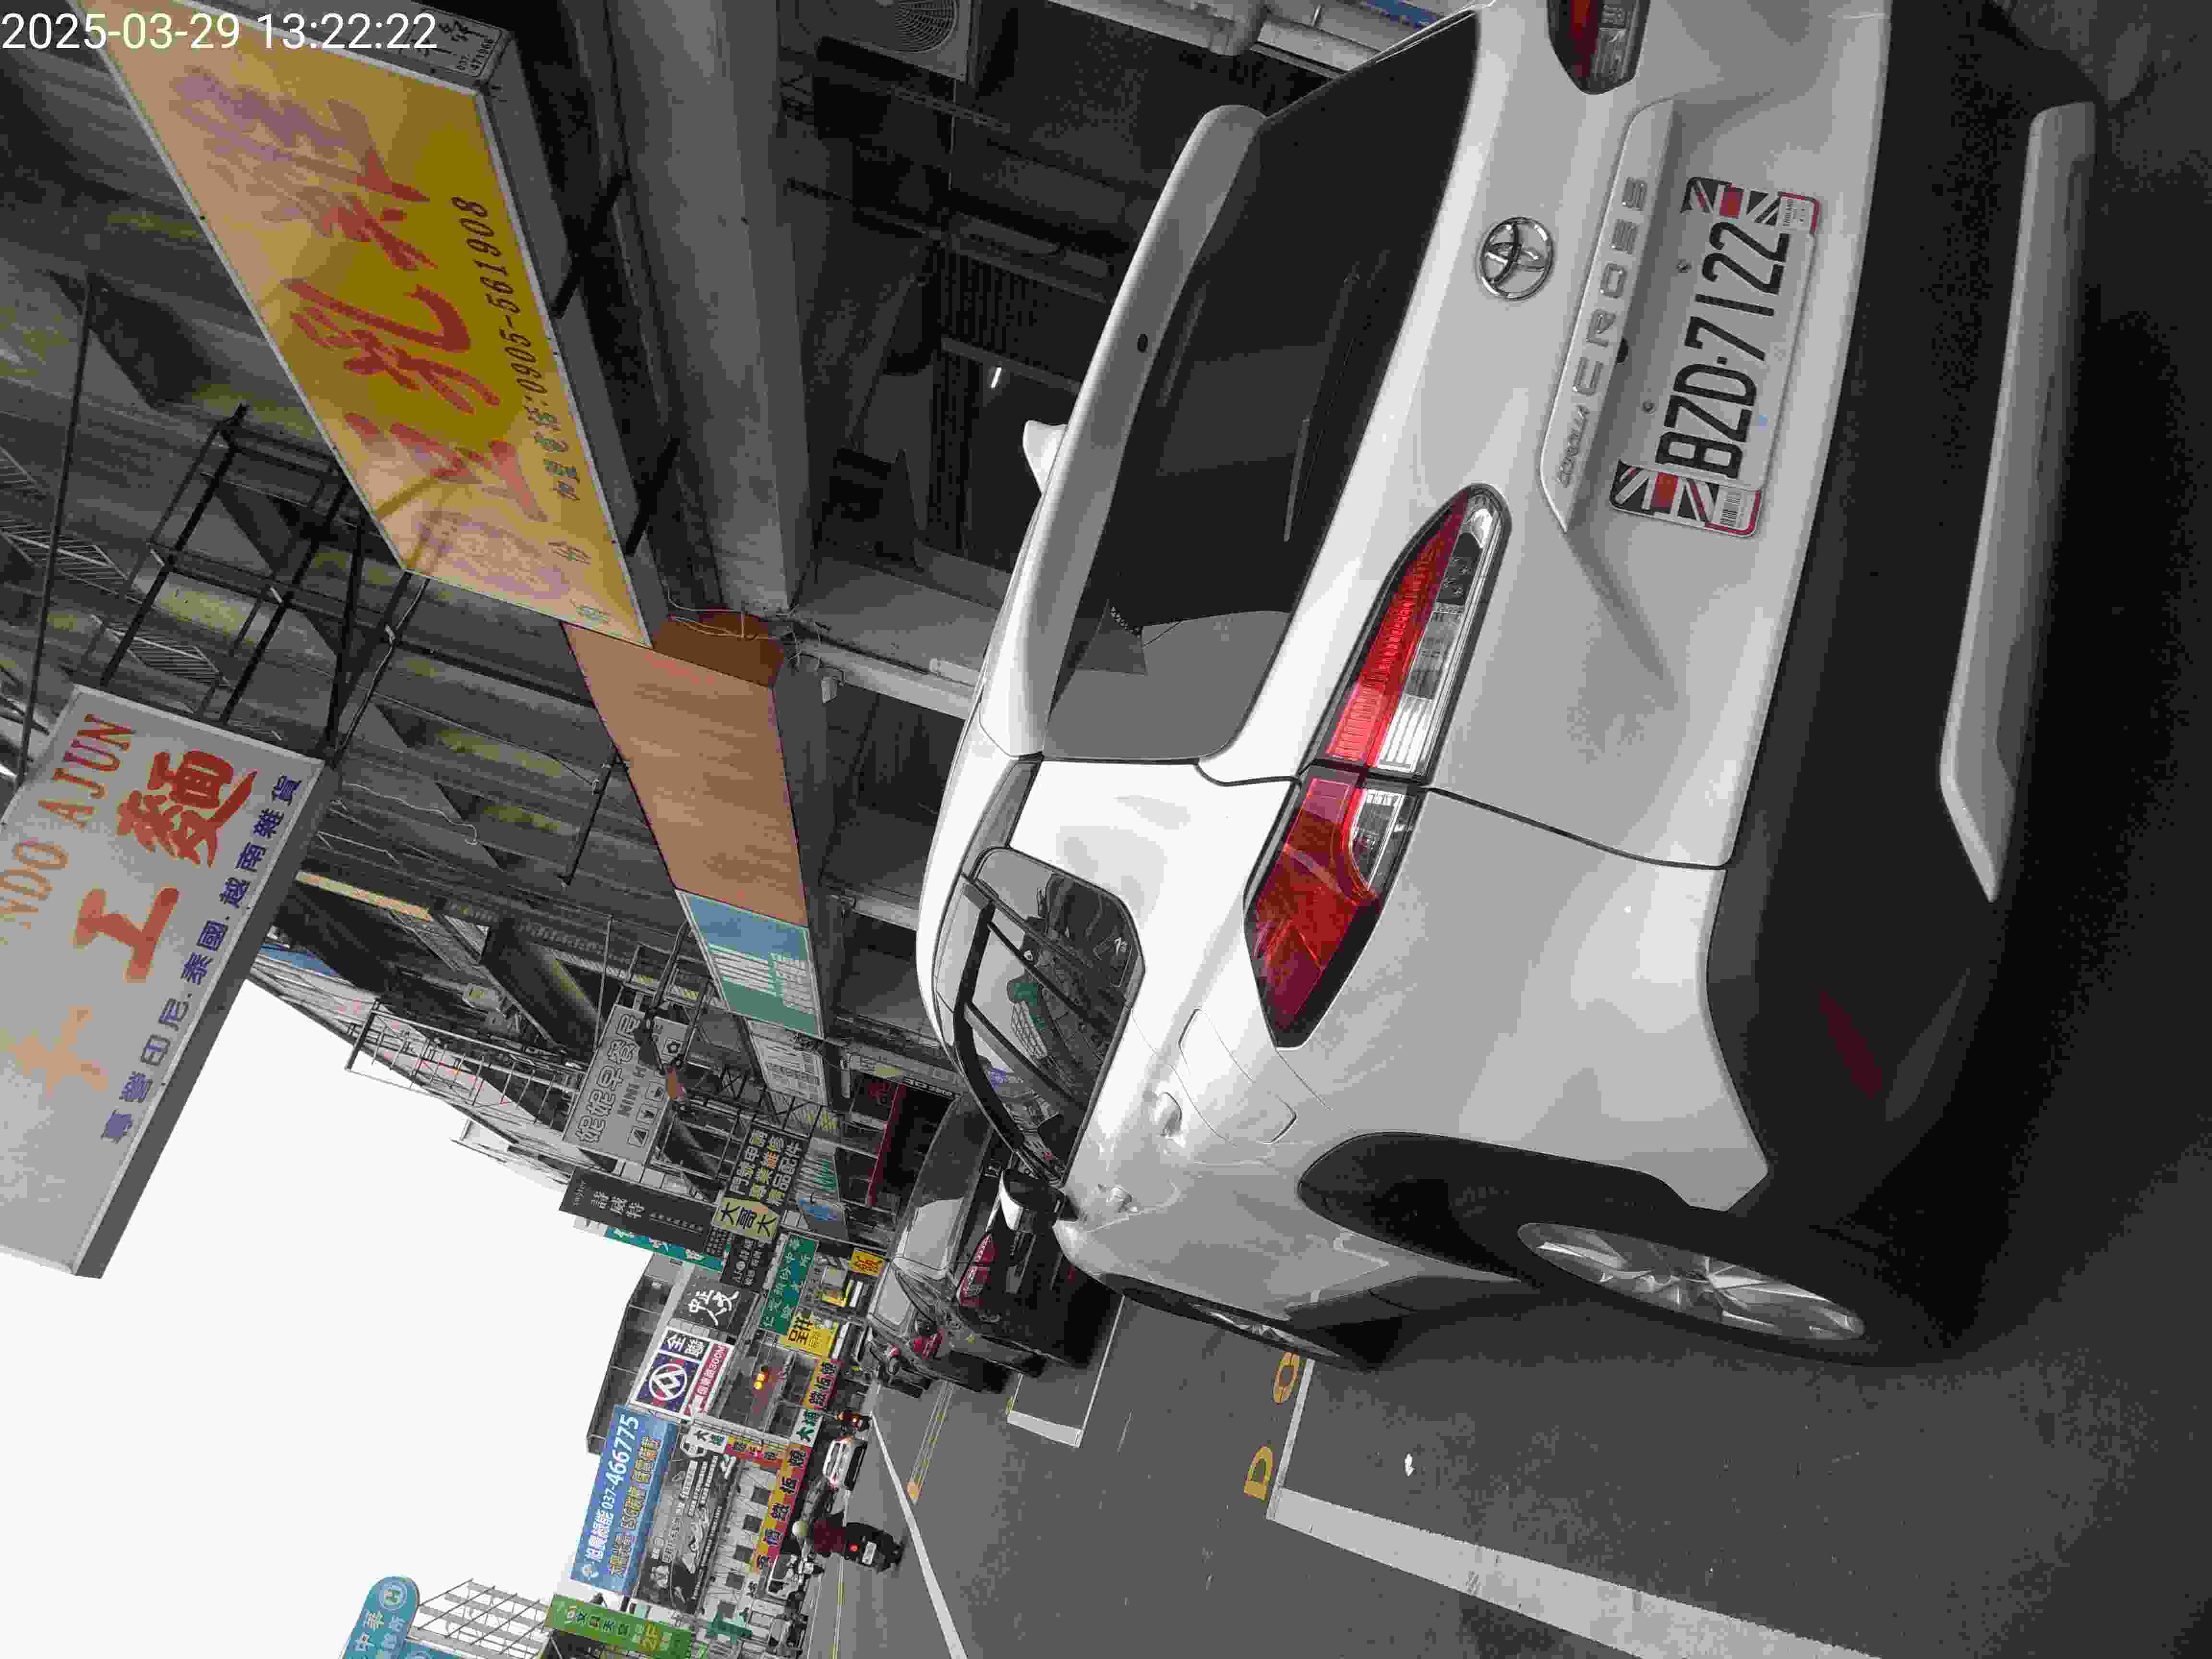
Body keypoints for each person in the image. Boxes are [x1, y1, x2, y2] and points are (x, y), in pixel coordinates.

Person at [792, 1514, 904, 1572]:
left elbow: (827, 1554)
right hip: (850, 1535)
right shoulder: (820, 1522)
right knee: (870, 1531)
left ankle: (884, 1561)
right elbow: (837, 1519)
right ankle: (891, 1546)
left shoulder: (813, 1545)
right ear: (805, 1524)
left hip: (846, 1551)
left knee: (860, 1558)